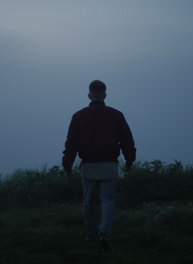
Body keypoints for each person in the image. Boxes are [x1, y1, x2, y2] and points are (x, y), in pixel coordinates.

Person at [62, 80, 136, 251]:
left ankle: (90, 234)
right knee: (108, 200)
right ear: (104, 95)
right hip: (109, 164)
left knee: (89, 201)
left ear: (89, 95)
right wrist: (129, 161)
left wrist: (67, 168)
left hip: (88, 165)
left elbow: (71, 144)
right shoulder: (116, 115)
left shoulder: (78, 116)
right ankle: (105, 233)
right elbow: (127, 140)